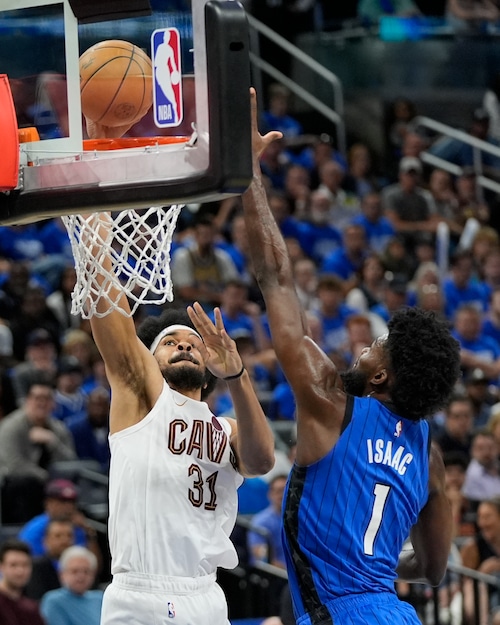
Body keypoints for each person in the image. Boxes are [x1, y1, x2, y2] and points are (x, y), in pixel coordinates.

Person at [242, 87, 462, 625]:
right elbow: (433, 569)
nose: (364, 347)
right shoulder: (428, 454)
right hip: (397, 613)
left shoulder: (330, 401)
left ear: (383, 374)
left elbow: (275, 274)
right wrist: (374, 568)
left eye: (376, 345)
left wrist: (246, 171)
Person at [72, 210, 275, 624]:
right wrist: (96, 228)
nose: (185, 346)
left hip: (206, 593)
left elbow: (262, 461)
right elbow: (111, 311)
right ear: (149, 358)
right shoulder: (141, 396)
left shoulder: (227, 428)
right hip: (141, 593)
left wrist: (237, 374)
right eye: (171, 343)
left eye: (194, 343)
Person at [0, 377, 77, 523]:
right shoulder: (10, 427)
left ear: (53, 404)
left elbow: (71, 462)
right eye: (37, 398)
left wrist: (52, 442)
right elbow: (14, 466)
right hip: (12, 487)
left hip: (49, 486)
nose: (42, 403)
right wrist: (46, 478)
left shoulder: (58, 429)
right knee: (24, 484)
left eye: (47, 398)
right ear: (27, 401)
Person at [40, 545, 103, 625]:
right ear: (62, 574)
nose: (81, 576)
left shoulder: (100, 598)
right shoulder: (54, 600)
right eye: (75, 571)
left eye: (86, 571)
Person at [24, 517, 75, 601]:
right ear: (45, 541)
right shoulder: (37, 567)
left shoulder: (83, 565)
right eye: (58, 536)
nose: (64, 540)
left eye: (69, 535)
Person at [0, 539, 45, 625]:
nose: (20, 571)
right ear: (1, 566)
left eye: (25, 565)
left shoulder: (31, 608)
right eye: (13, 565)